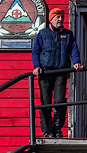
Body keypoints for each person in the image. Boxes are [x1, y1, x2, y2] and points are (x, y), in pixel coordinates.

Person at [31, 8, 83, 138]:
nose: (60, 20)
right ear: (51, 19)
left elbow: (74, 50)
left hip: (61, 71)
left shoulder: (68, 34)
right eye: (57, 17)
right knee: (46, 102)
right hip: (45, 72)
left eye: (62, 17)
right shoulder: (42, 34)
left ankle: (57, 129)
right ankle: (47, 130)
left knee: (60, 101)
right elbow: (35, 52)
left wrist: (76, 62)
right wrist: (37, 66)